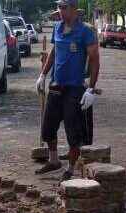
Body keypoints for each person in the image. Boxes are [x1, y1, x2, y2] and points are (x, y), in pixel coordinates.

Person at [35, 0, 100, 181]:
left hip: (75, 88)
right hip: (56, 86)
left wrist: (91, 89)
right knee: (48, 128)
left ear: (73, 9)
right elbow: (54, 52)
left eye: (63, 7)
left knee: (73, 132)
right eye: (59, 7)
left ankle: (71, 168)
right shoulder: (57, 27)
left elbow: (94, 59)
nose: (60, 11)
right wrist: (43, 75)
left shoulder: (86, 31)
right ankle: (54, 160)